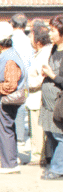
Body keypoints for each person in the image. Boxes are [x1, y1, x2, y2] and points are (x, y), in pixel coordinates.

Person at [0, 21, 27, 174]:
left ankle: (10, 164)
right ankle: (10, 160)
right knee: (7, 129)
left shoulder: (9, 58)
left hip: (6, 99)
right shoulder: (9, 55)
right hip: (6, 99)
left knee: (5, 130)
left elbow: (10, 85)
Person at [39, 15, 63, 179]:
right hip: (48, 102)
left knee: (59, 136)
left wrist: (52, 75)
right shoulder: (54, 49)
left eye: (53, 31)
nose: (50, 34)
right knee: (50, 133)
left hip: (58, 102)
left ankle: (57, 168)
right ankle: (55, 164)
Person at [26, 24, 51, 166]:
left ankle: (38, 156)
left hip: (38, 97)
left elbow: (41, 78)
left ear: (38, 40)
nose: (30, 40)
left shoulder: (44, 54)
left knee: (37, 129)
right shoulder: (40, 53)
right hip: (36, 97)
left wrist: (26, 83)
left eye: (31, 36)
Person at [10, 13, 33, 145]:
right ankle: (20, 136)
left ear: (12, 24)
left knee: (10, 106)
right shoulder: (27, 40)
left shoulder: (11, 39)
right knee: (21, 106)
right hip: (25, 78)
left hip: (12, 76)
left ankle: (14, 135)